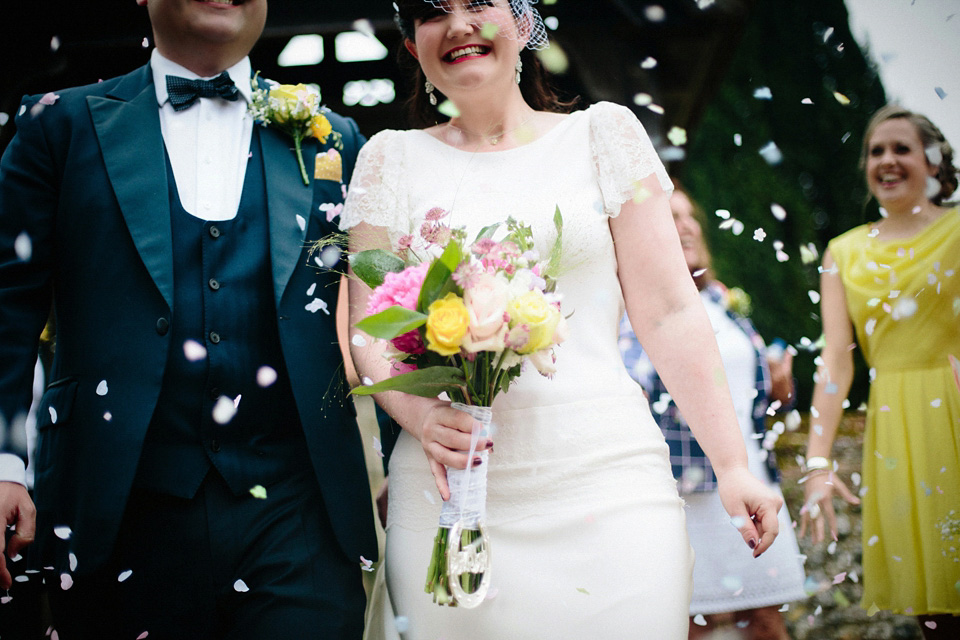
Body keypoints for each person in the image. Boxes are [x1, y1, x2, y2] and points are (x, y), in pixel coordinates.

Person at [340, 1, 783, 638]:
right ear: (413, 47)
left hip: (606, 477)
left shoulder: (604, 135)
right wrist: (419, 415)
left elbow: (670, 311)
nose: (459, 24)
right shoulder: (389, 159)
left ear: (522, 23)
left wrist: (733, 464)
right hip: (452, 485)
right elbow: (367, 324)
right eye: (434, 12)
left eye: (479, 3)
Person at [0, 0, 377, 637]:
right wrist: (5, 465)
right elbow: (7, 308)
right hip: (113, 511)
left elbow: (386, 313)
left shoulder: (335, 141)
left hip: (298, 513)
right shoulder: (58, 126)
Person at [619, 182, 807, 639]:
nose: (683, 226)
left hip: (749, 482)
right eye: (670, 216)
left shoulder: (723, 302)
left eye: (689, 217)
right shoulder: (629, 311)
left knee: (766, 621)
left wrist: (779, 385)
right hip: (684, 496)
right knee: (688, 626)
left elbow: (747, 392)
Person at [800, 104, 960, 639]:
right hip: (898, 426)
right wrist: (818, 463)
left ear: (933, 162)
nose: (887, 161)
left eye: (901, 149)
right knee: (933, 608)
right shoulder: (842, 253)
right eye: (876, 151)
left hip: (955, 403)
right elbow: (836, 366)